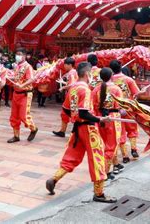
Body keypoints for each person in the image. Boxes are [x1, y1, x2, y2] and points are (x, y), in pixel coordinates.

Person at [45, 62, 116, 203]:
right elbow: (84, 113)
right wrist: (100, 119)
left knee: (71, 156)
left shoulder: (73, 88)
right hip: (89, 128)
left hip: (77, 129)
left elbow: (65, 109)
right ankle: (99, 193)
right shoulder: (85, 89)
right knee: (97, 159)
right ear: (87, 74)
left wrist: (74, 117)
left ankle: (54, 179)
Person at [92, 67, 126, 179]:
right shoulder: (116, 89)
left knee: (105, 144)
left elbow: (92, 105)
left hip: (100, 118)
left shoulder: (96, 89)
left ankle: (114, 165)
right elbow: (122, 108)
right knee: (111, 146)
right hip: (113, 119)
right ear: (111, 76)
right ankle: (105, 172)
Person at [110, 60, 141, 164]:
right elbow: (136, 94)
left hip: (116, 110)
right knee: (132, 129)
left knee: (121, 132)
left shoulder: (109, 82)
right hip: (129, 108)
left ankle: (125, 155)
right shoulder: (128, 80)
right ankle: (134, 149)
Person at [7, 47, 38, 143]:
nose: (18, 56)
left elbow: (31, 79)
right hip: (16, 94)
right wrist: (9, 77)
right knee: (14, 116)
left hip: (25, 94)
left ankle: (33, 128)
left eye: (20, 54)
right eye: (17, 54)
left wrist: (22, 85)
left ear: (24, 56)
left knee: (24, 116)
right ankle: (16, 136)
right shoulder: (17, 66)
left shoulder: (28, 66)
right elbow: (16, 77)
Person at [53, 57, 78, 137]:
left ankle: (74, 131)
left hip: (71, 95)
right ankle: (63, 131)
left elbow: (72, 84)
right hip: (71, 95)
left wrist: (63, 87)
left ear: (70, 65)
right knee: (65, 113)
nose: (64, 66)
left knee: (68, 113)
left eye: (65, 65)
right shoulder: (73, 72)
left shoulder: (71, 73)